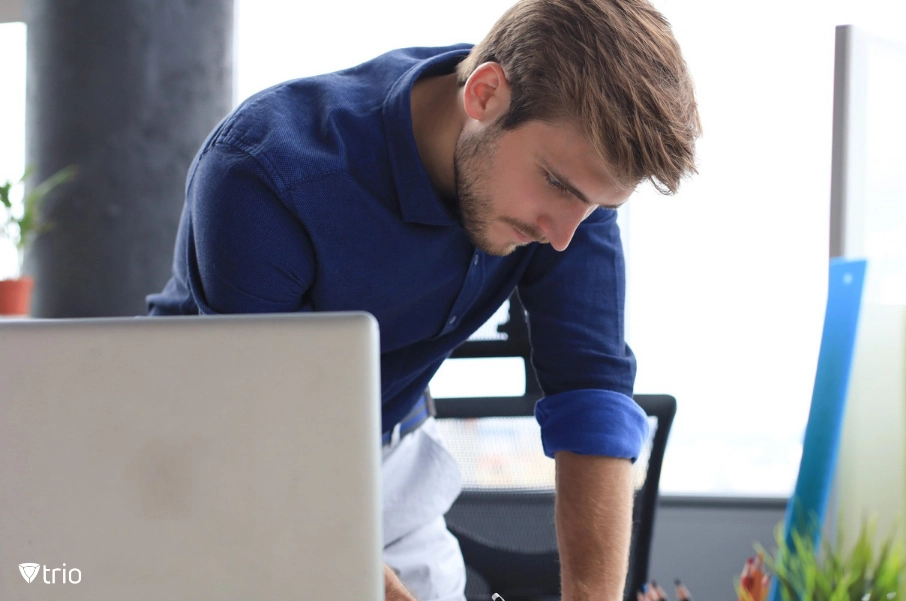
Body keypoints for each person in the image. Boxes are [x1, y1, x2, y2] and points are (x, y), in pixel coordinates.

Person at [146, 1, 700, 600]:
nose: (564, 235)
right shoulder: (267, 174)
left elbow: (590, 391)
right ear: (485, 94)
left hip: (391, 456)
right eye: (559, 186)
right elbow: (266, 444)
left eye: (596, 206)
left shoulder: (568, 198)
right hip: (212, 460)